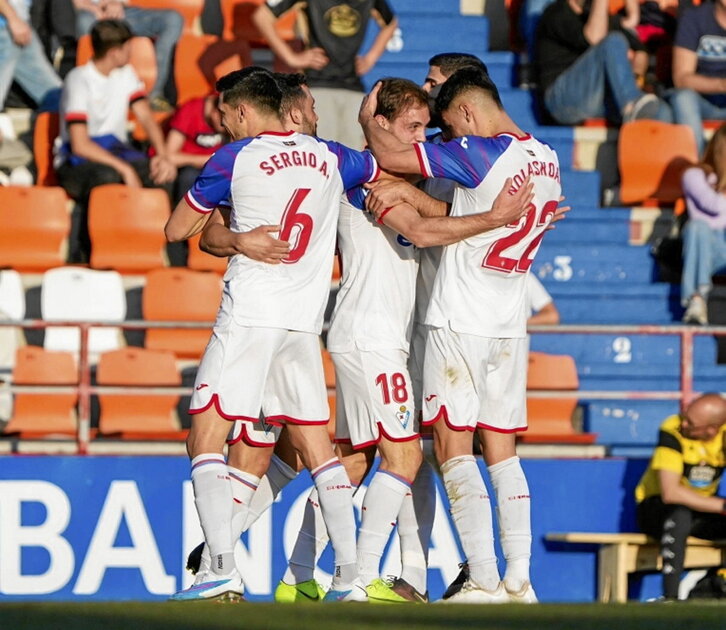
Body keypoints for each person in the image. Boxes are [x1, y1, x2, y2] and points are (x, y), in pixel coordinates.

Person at [164, 66, 379, 602]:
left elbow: (175, 230)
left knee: (206, 438)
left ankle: (219, 569)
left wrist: (238, 238)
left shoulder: (234, 158)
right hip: (303, 324)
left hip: (249, 315)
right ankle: (350, 578)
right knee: (318, 449)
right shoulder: (330, 155)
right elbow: (383, 162)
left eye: (223, 116)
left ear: (241, 111)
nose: (222, 126)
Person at [359, 66, 563, 604]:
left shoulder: (482, 152)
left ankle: (481, 575)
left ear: (469, 113)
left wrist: (367, 119)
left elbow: (389, 157)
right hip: (508, 324)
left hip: (458, 320)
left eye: (451, 125)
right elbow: (461, 210)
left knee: (452, 448)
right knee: (503, 451)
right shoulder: (546, 157)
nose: (451, 137)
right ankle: (520, 578)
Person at [55, 18, 176, 262]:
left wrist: (163, 157)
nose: (132, 52)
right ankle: (89, 254)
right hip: (77, 161)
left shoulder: (126, 74)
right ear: (114, 52)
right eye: (127, 47)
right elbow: (80, 144)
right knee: (107, 177)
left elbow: (147, 118)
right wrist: (124, 169)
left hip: (117, 151)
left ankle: (155, 250)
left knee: (160, 174)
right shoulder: (79, 81)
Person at [252, 0, 398, 148]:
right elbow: (262, 16)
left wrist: (370, 58)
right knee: (320, 154)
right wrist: (292, 58)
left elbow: (391, 23)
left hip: (353, 86)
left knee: (352, 157)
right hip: (316, 86)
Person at [635, 393, 726, 600]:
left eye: (691, 423)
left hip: (701, 510)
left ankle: (717, 583)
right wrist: (722, 505)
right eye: (685, 416)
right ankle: (671, 597)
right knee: (680, 511)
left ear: (712, 430)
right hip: (655, 509)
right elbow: (671, 492)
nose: (684, 423)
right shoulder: (672, 429)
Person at [534, 0, 668, 126]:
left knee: (660, 110)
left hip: (596, 99)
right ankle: (630, 104)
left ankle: (632, 107)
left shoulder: (600, 17)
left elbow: (640, 50)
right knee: (614, 41)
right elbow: (594, 38)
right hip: (561, 100)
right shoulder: (556, 13)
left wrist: (636, 77)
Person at [72, 0, 183, 111]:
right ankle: (95, 94)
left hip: (123, 11)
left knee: (173, 19)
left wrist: (116, 3)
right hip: (88, 12)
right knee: (84, 21)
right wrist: (93, 7)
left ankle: (155, 94)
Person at [681, 122, 726, 325]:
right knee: (697, 227)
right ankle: (697, 299)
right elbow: (714, 205)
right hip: (705, 247)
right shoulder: (694, 175)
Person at [669, 0, 726, 158]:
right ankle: (700, 169)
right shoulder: (695, 18)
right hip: (702, 103)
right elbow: (681, 78)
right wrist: (722, 84)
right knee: (683, 97)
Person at [165, 93, 227, 204]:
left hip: (214, 168)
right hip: (186, 169)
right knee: (189, 176)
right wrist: (209, 159)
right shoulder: (190, 110)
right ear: (216, 113)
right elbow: (169, 156)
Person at [0, 0, 62, 111]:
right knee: (57, 96)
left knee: (56, 95)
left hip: (17, 26)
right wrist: (13, 19)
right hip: (7, 26)